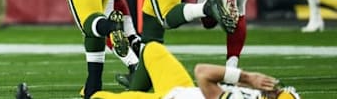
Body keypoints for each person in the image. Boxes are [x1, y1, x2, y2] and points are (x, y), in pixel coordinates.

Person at [87, 42, 300, 99]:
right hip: (182, 89)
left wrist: (247, 77)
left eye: (277, 93)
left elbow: (203, 73)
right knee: (152, 50)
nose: (275, 89)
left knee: (100, 97)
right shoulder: (256, 96)